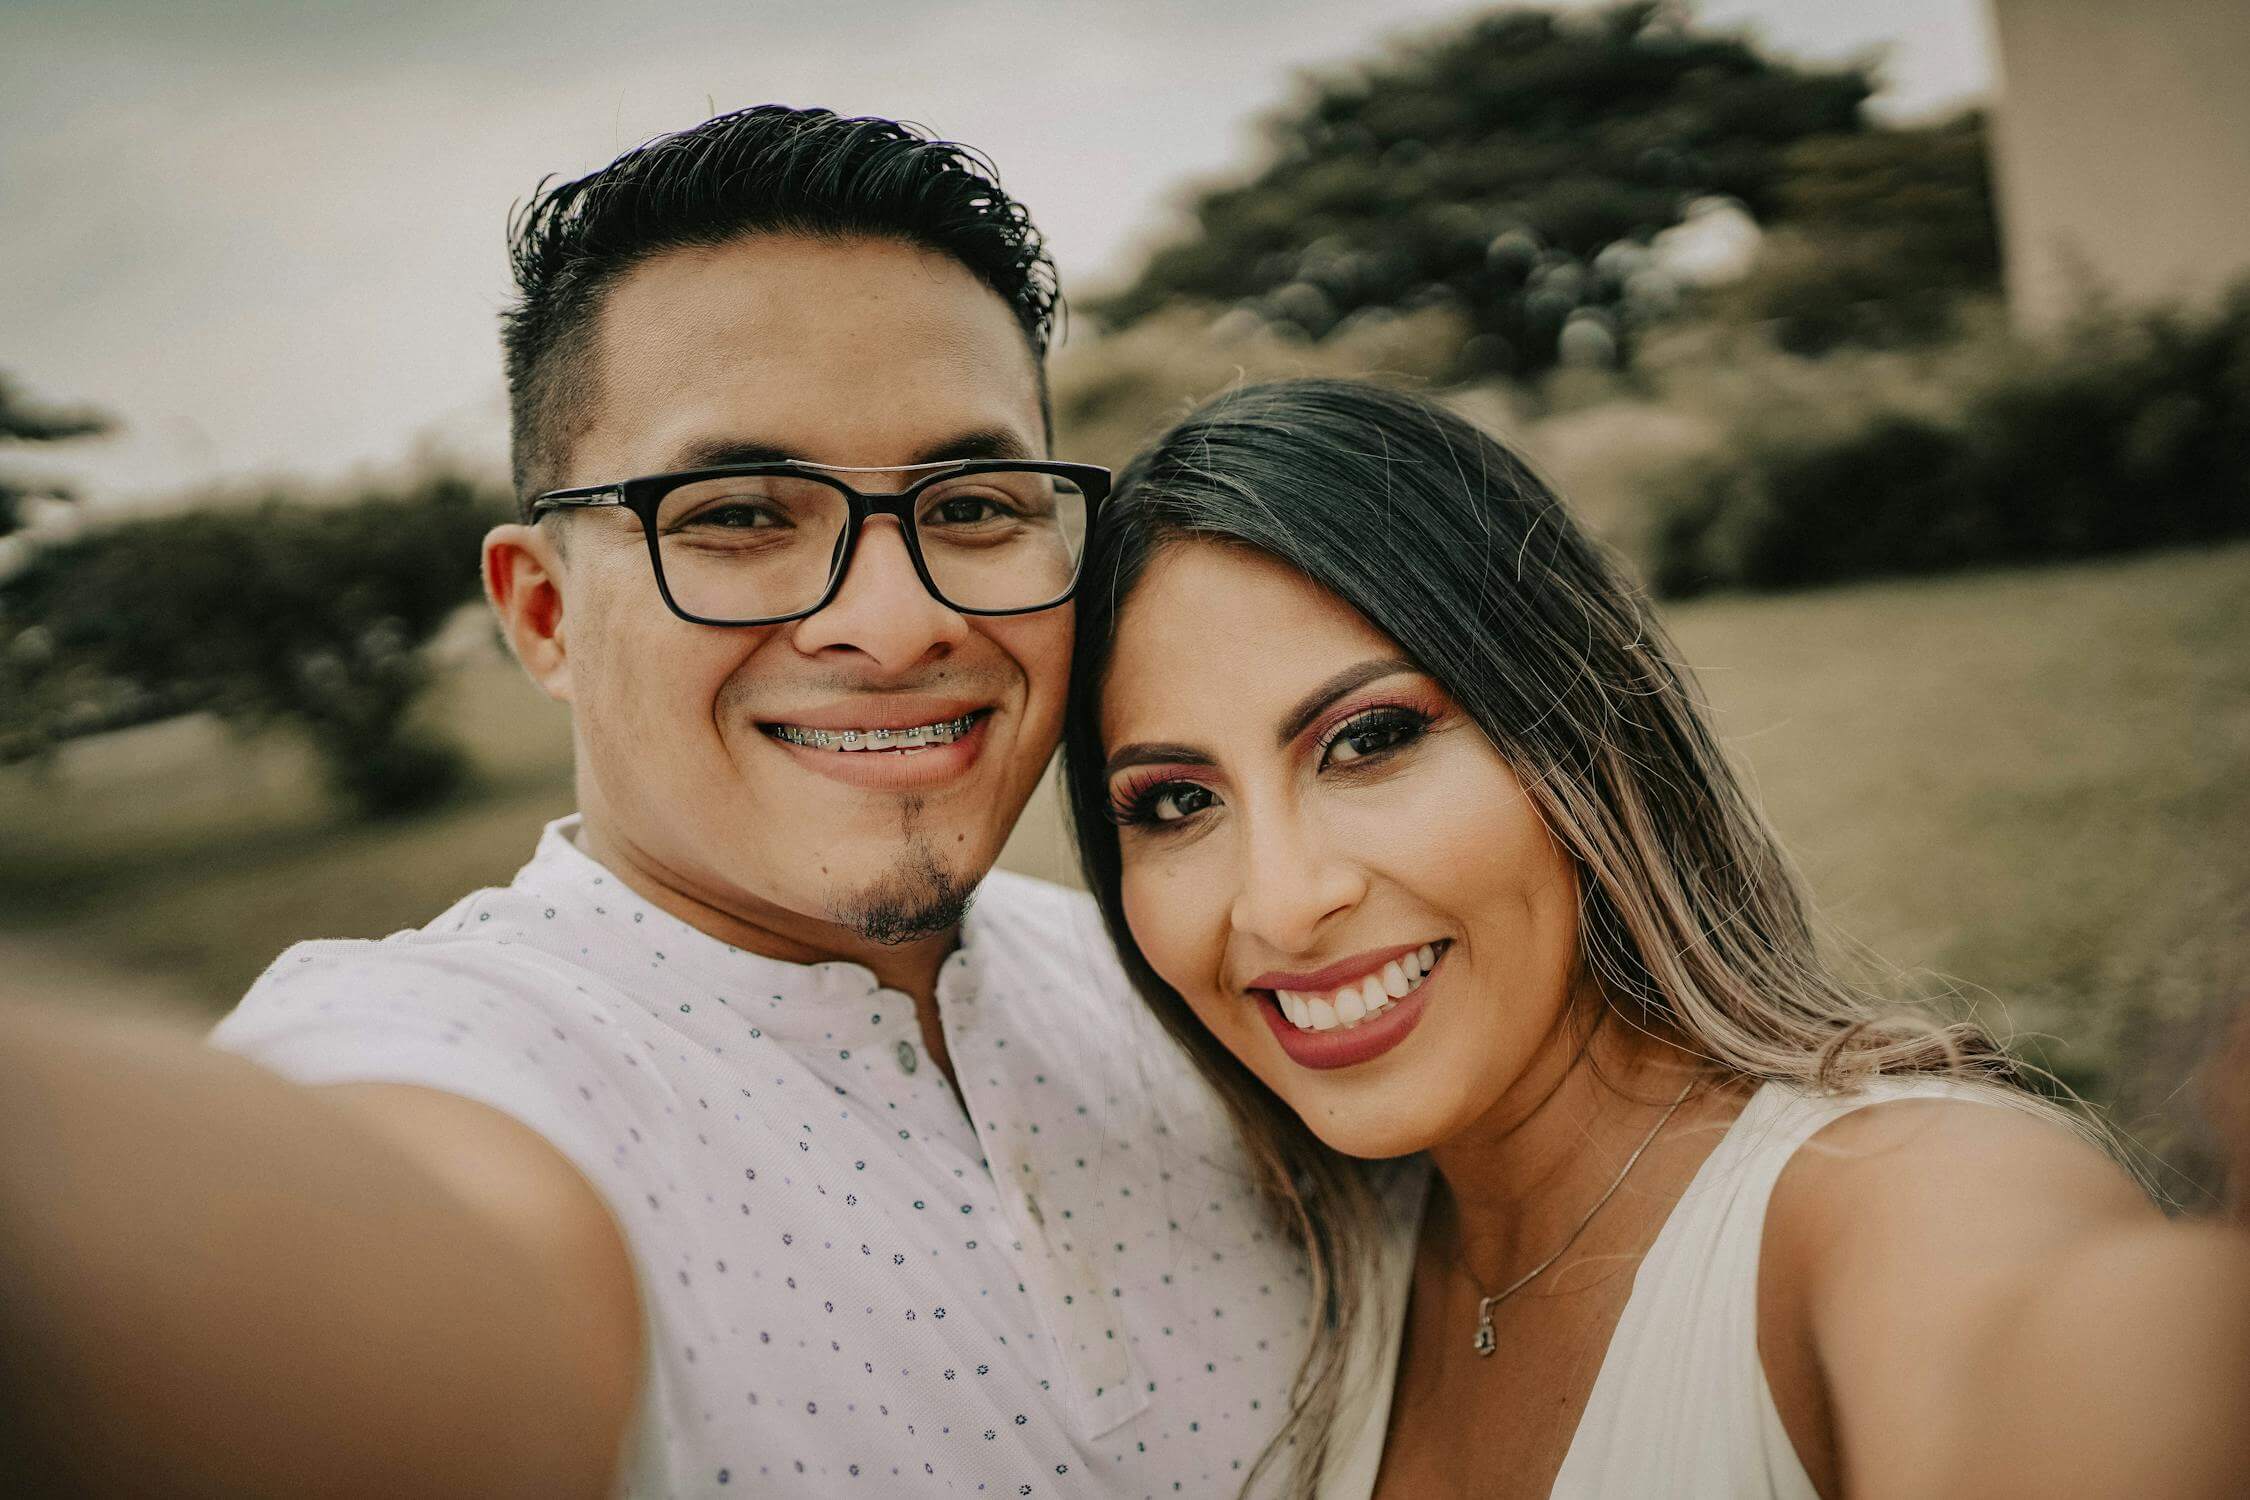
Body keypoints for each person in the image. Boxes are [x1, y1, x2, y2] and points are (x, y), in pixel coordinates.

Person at [0, 109, 1333, 1498]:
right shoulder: (458, 1056)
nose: (894, 623)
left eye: (974, 504)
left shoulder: (1174, 979)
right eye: (741, 515)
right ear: (544, 613)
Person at [1059, 378, 2250, 1499]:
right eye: (1176, 801)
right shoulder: (1325, 1268)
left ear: (1582, 727)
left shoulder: (1889, 1196)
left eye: (1368, 739)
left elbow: (2036, 1353)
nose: (1278, 902)